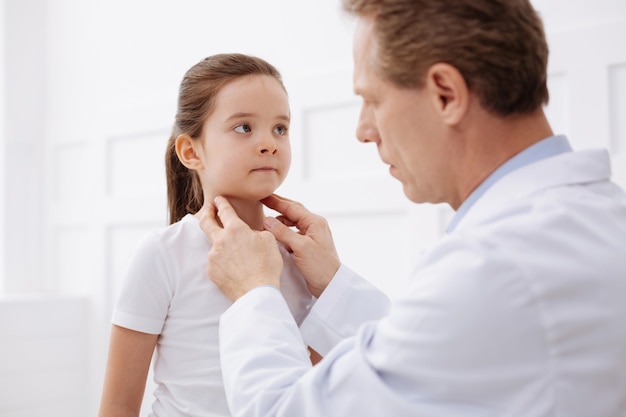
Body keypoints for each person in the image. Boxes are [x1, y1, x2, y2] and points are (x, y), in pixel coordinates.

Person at [198, 1, 626, 416]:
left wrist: (254, 291)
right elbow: (448, 357)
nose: (363, 131)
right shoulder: (592, 218)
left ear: (445, 94)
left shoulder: (493, 267)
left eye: (373, 100)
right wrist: (335, 285)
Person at [97, 53, 316, 417]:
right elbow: (118, 405)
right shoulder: (163, 254)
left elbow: (317, 383)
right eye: (244, 127)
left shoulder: (302, 254)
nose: (270, 143)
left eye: (280, 128)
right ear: (190, 151)